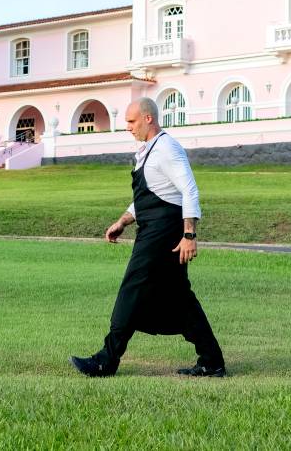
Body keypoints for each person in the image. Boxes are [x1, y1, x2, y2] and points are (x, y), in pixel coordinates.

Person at [70, 97, 226, 378]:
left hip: (163, 233)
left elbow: (188, 191)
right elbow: (153, 193)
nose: (128, 127)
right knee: (180, 298)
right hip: (154, 228)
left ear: (148, 119)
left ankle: (107, 360)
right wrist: (123, 221)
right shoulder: (148, 151)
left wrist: (189, 234)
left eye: (131, 121)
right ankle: (212, 360)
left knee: (132, 288)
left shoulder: (167, 148)